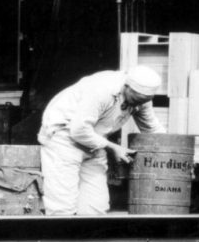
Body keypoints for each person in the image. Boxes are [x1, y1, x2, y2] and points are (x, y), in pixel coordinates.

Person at [37, 65, 165, 215]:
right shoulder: (101, 90)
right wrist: (113, 147)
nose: (137, 105)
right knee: (62, 206)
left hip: (95, 141)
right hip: (64, 137)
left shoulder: (142, 99)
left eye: (142, 102)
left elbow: (153, 130)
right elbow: (78, 130)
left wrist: (178, 160)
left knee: (96, 207)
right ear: (127, 87)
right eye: (135, 100)